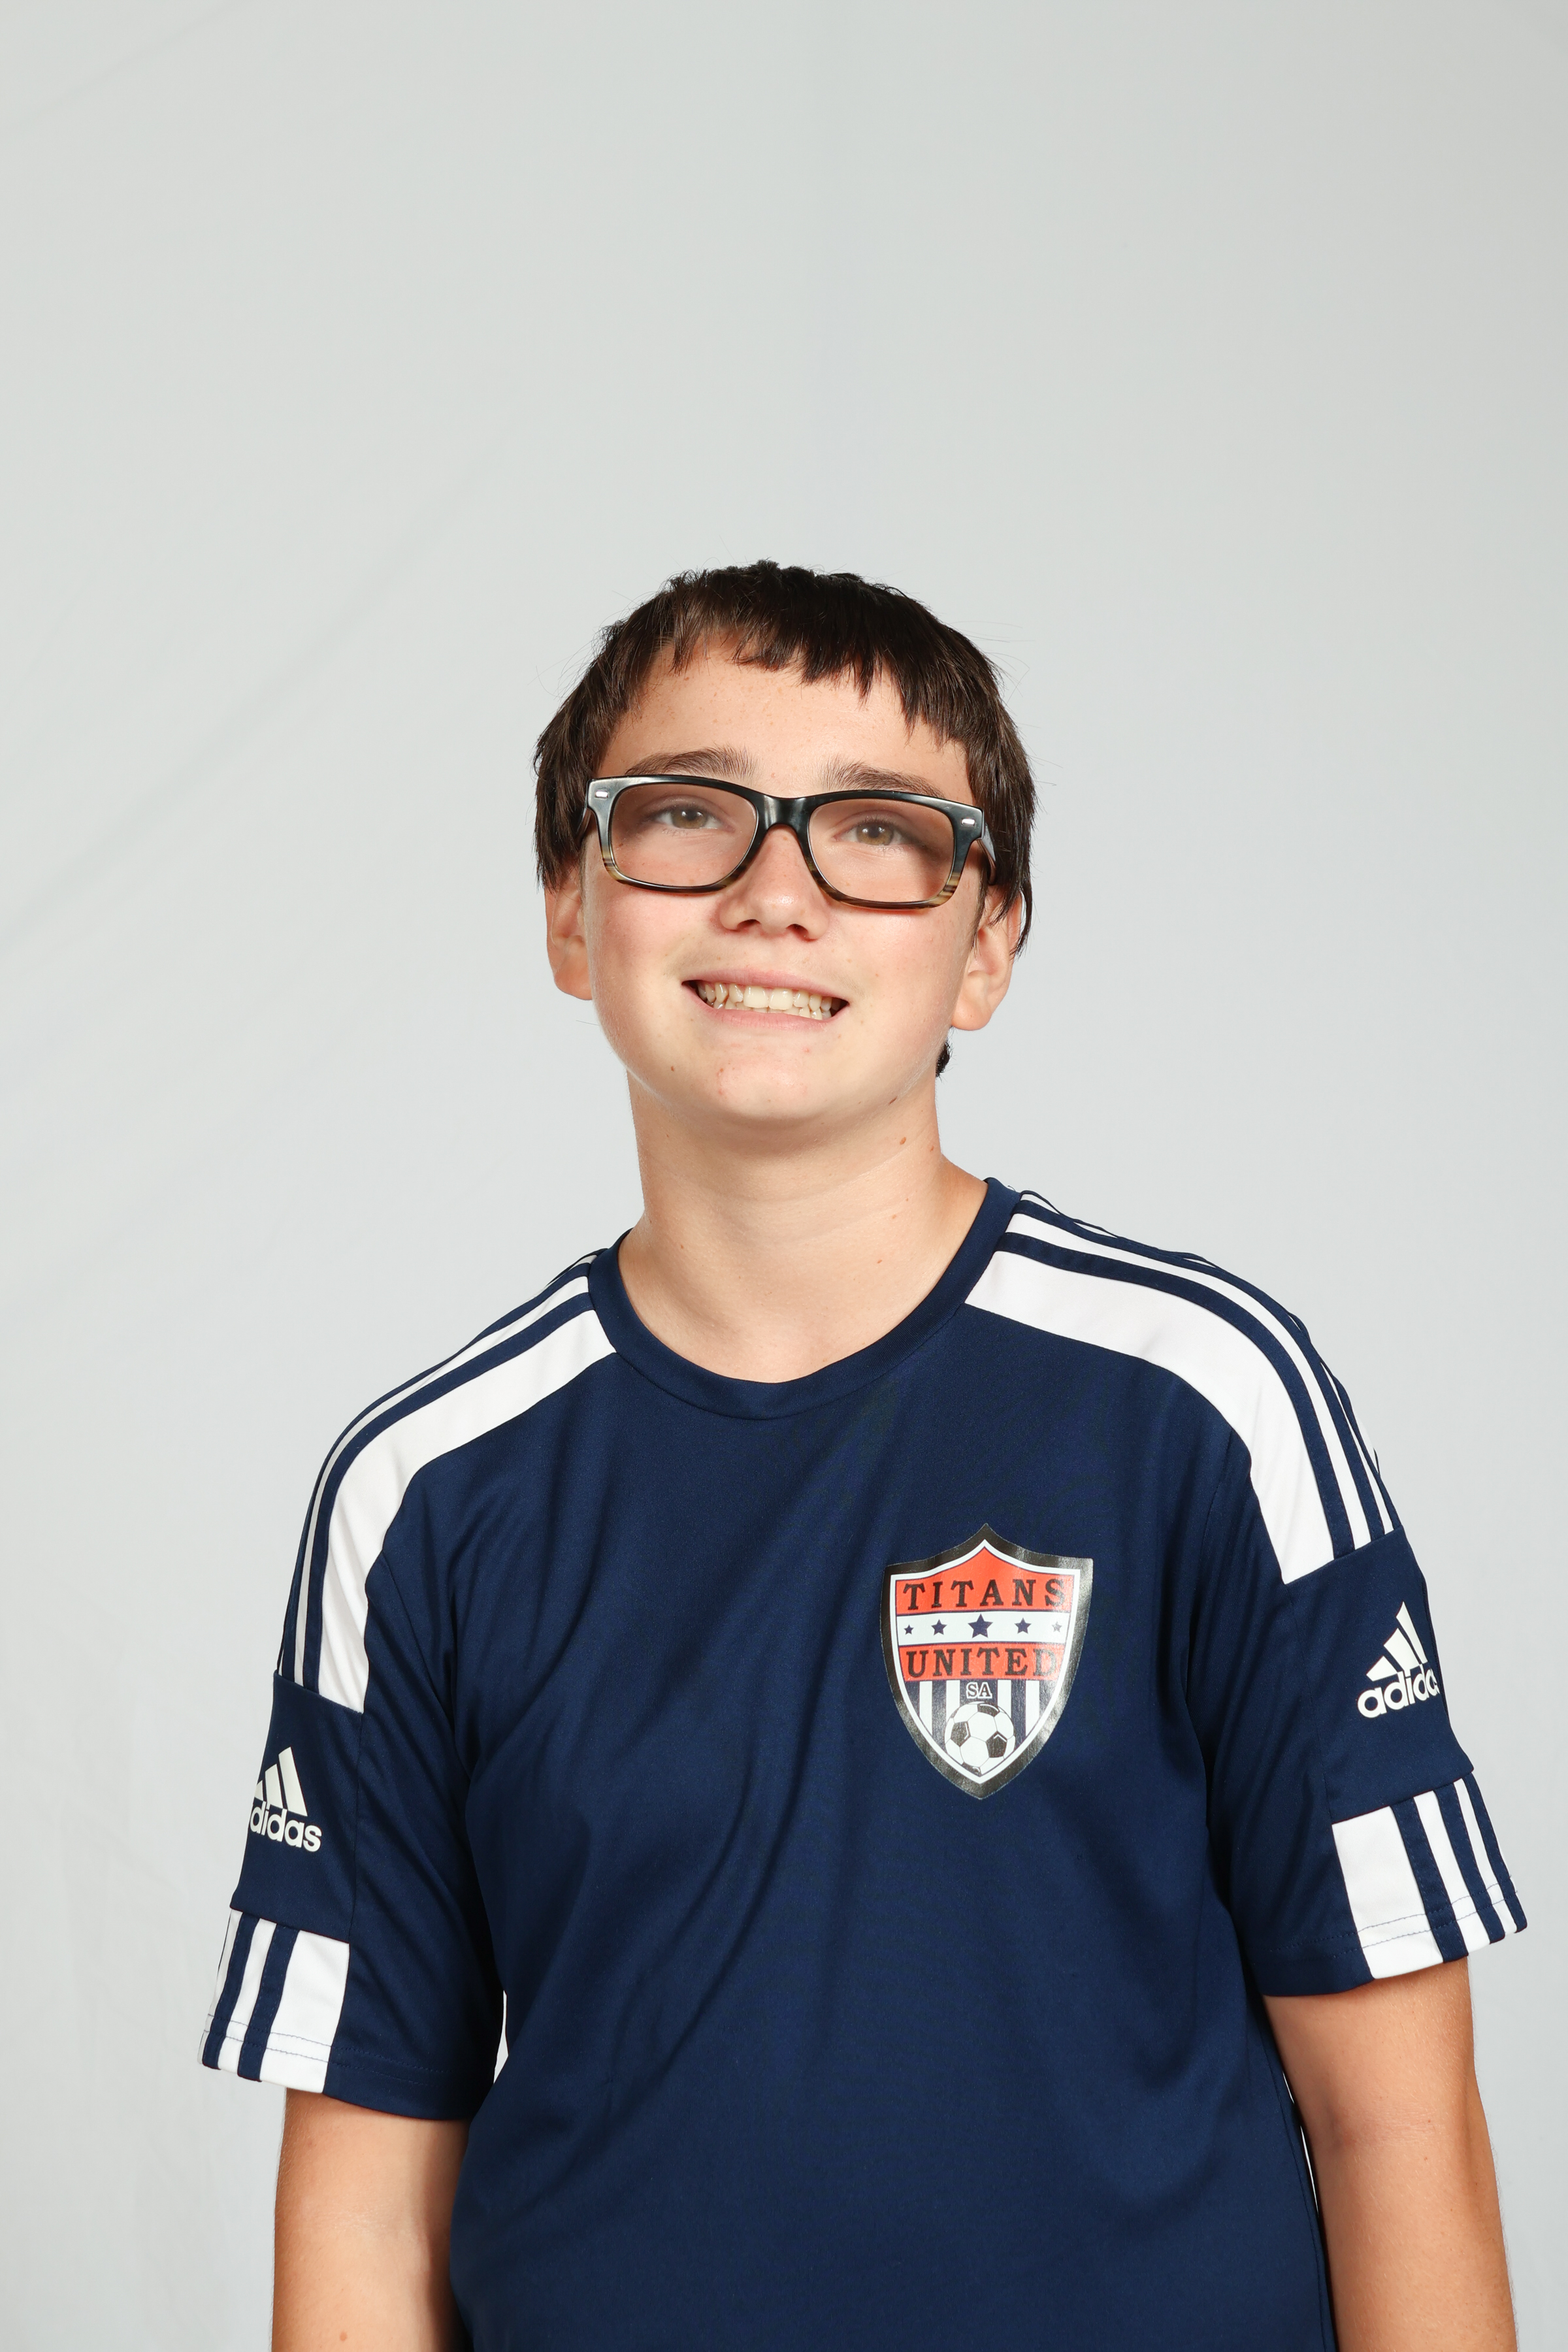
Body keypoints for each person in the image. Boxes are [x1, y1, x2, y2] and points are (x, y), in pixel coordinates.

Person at [202, 563, 1524, 2351]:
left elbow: (1401, 2130)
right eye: (687, 814)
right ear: (572, 911)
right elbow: (365, 2209)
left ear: (985, 946)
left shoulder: (1202, 1405)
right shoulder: (426, 1495)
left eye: (877, 833)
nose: (776, 891)